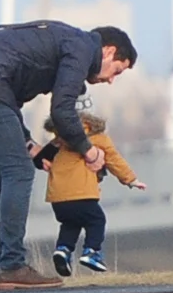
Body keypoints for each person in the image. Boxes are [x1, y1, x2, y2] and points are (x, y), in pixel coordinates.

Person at [0, 21, 138, 290]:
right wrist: (88, 150)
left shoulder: (63, 39)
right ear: (108, 51)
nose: (111, 80)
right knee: (18, 171)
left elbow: (6, 97)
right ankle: (12, 264)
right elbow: (62, 111)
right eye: (117, 71)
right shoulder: (82, 47)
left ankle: (2, 266)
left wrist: (28, 143)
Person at [41, 106, 146, 276]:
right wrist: (131, 180)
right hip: (81, 193)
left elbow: (41, 158)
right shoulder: (97, 138)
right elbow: (113, 159)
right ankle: (92, 251)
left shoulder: (59, 141)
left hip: (58, 198)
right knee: (96, 220)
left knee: (70, 223)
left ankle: (63, 250)